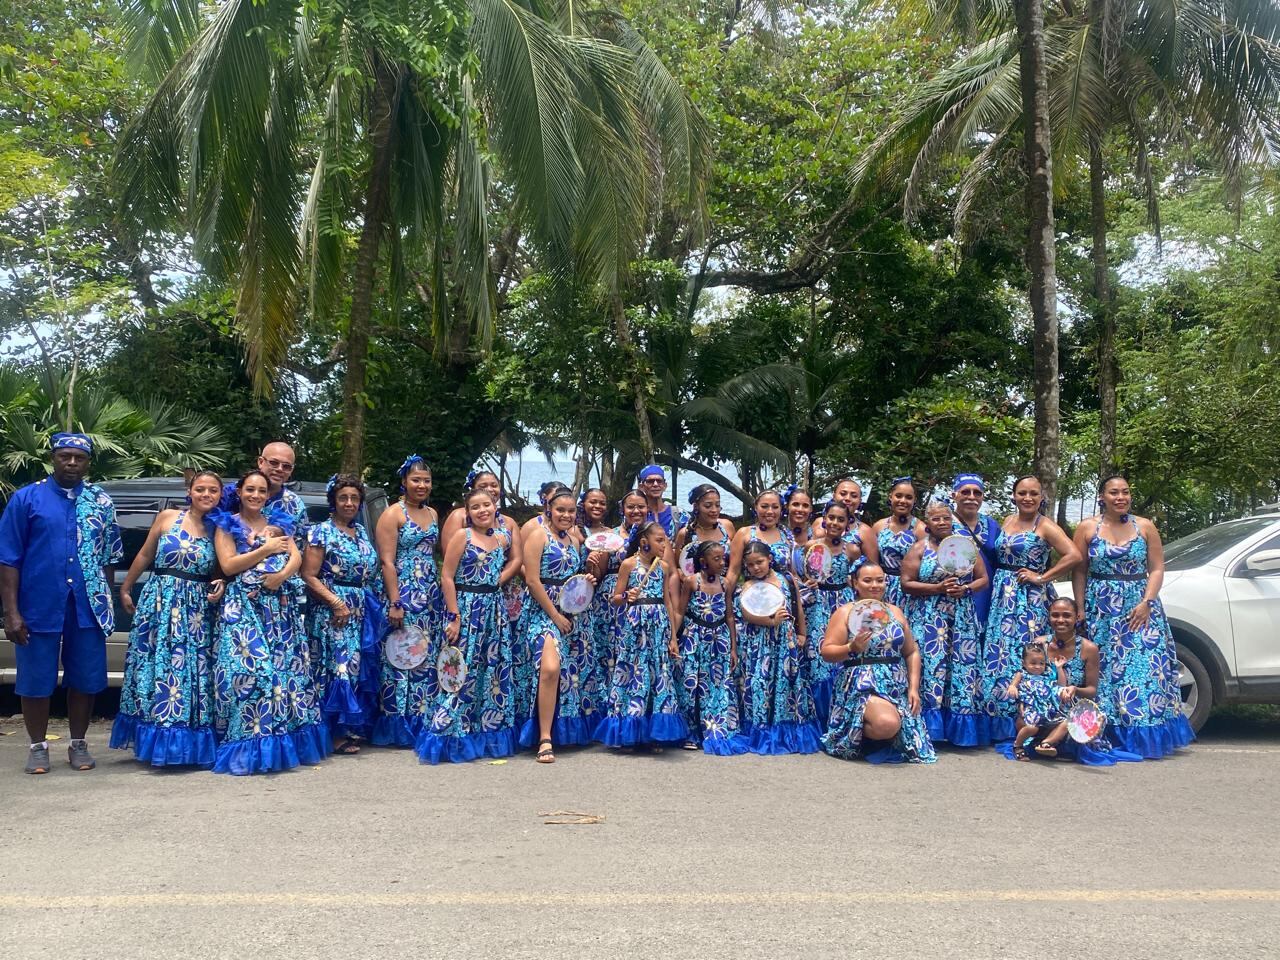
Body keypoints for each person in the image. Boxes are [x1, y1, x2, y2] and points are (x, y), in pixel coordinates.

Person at [0, 433, 122, 774]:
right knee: (35, 678)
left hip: (86, 606)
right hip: (38, 604)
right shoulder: (27, 499)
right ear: (53, 457)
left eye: (78, 458)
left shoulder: (100, 502)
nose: (71, 462)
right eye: (64, 456)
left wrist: (105, 601)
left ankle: (78, 743)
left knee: (85, 677)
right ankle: (38, 747)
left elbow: (110, 556)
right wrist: (11, 612)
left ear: (87, 462)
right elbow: (8, 558)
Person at [210, 471, 329, 774]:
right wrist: (264, 549)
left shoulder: (277, 522)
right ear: (239, 492)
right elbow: (228, 564)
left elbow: (296, 557)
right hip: (244, 610)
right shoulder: (227, 524)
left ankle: (278, 745)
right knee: (253, 676)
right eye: (249, 489)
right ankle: (250, 748)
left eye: (261, 491)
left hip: (279, 611)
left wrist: (281, 576)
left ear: (267, 495)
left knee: (286, 677)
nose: (255, 495)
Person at [1072, 475, 1195, 758]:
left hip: (1139, 608)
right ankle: (1104, 731)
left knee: (1143, 672)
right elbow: (1079, 570)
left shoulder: (1146, 527)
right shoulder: (1087, 528)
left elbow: (1157, 569)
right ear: (1102, 496)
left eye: (1125, 492)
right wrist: (1080, 607)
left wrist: (1146, 602)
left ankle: (1143, 736)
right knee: (1104, 673)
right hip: (1100, 609)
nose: (1121, 497)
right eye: (1114, 492)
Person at [111, 469, 225, 768]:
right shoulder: (167, 517)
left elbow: (220, 570)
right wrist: (125, 587)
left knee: (191, 672)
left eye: (213, 490)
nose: (206, 495)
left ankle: (187, 744)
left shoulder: (219, 529)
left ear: (220, 496)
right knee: (157, 667)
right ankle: (156, 741)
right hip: (160, 603)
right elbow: (146, 554)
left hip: (197, 610)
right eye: (201, 489)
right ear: (191, 491)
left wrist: (220, 583)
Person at [416, 488, 518, 763]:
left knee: (490, 671)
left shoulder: (500, 538)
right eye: (476, 507)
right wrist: (454, 616)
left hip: (493, 610)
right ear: (468, 512)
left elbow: (508, 568)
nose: (483, 510)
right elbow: (446, 576)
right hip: (466, 607)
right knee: (460, 671)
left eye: (487, 505)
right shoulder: (463, 536)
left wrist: (497, 583)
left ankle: (483, 730)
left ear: (495, 506)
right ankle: (448, 732)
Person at [981, 475, 1081, 741]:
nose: (1027, 498)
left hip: (1029, 600)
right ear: (1014, 496)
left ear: (1041, 498)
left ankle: (1033, 719)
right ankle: (1002, 720)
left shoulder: (1045, 525)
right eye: (1022, 493)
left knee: (1026, 651)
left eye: (1033, 494)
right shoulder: (1008, 521)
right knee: (1000, 653)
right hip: (1003, 597)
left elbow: (1073, 555)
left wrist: (1042, 576)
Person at [994, 598, 1142, 765]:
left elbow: (1092, 690)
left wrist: (1075, 689)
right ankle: (1040, 742)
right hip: (1042, 704)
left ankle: (1047, 743)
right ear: (1049, 617)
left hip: (1071, 705)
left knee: (1079, 722)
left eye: (1067, 615)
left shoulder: (1089, 649)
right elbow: (1024, 674)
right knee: (1025, 721)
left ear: (1077, 617)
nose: (1060, 620)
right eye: (1055, 615)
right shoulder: (1039, 643)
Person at [820, 563, 935, 763]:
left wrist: (914, 688)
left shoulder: (895, 612)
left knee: (901, 729)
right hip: (861, 683)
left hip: (895, 682)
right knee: (887, 723)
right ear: (855, 583)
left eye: (880, 580)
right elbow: (827, 652)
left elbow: (911, 651)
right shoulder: (845, 612)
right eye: (867, 580)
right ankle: (854, 733)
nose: (875, 585)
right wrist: (850, 648)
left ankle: (881, 734)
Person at [900, 499, 990, 747]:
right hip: (929, 619)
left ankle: (959, 731)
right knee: (931, 668)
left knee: (960, 669)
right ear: (927, 522)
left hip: (960, 619)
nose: (942, 522)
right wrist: (937, 588)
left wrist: (967, 589)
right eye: (936, 518)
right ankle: (929, 728)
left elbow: (983, 578)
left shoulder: (966, 546)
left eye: (946, 518)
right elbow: (906, 583)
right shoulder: (919, 548)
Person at [302, 474, 380, 755]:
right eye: (343, 497)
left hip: (359, 609)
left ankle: (350, 728)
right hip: (333, 612)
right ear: (333, 501)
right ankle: (331, 732)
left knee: (356, 668)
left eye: (354, 498)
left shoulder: (360, 533)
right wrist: (336, 602)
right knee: (337, 668)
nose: (349, 503)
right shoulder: (320, 532)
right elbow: (308, 575)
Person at [596, 521, 689, 750]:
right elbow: (615, 598)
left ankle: (653, 733)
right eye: (659, 540)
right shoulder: (628, 564)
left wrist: (673, 637)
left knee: (657, 674)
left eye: (665, 540)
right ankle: (629, 730)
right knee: (634, 673)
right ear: (644, 542)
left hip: (658, 626)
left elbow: (667, 601)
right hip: (634, 627)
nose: (664, 544)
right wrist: (627, 595)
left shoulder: (664, 567)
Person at [371, 455, 443, 747]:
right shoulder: (393, 514)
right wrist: (394, 600)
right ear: (404, 482)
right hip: (403, 590)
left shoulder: (434, 514)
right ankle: (397, 722)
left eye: (426, 480)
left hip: (429, 593)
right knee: (400, 655)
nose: (421, 485)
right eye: (416, 480)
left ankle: (421, 717)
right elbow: (387, 561)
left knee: (424, 654)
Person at [519, 488, 595, 761]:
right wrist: (554, 616)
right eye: (560, 510)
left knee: (569, 674)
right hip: (544, 612)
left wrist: (587, 581)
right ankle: (544, 738)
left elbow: (572, 578)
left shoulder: (575, 539)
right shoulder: (538, 535)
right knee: (549, 669)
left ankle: (558, 730)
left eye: (571, 511)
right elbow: (532, 581)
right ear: (549, 509)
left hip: (571, 614)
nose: (566, 515)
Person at [735, 540, 820, 755]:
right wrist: (770, 622)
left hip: (785, 639)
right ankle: (762, 726)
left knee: (785, 681)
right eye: (751, 565)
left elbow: (798, 606)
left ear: (770, 559)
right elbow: (746, 614)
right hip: (759, 641)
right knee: (761, 681)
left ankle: (785, 725)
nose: (756, 568)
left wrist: (802, 633)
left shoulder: (787, 580)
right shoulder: (748, 586)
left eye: (760, 562)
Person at [673, 540, 746, 754]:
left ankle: (715, 727)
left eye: (724, 558)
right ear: (703, 562)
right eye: (717, 559)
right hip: (694, 638)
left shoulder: (725, 584)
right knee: (691, 685)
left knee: (718, 684)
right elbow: (680, 611)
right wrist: (673, 638)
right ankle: (690, 731)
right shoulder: (691, 582)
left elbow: (730, 616)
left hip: (719, 640)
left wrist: (733, 647)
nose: (722, 562)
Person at [584, 490, 648, 723]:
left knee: (635, 656)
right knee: (609, 654)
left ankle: (635, 712)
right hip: (610, 602)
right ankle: (610, 714)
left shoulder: (653, 535)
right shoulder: (608, 536)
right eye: (631, 507)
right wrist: (592, 564)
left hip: (642, 600)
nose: (636, 511)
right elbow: (598, 575)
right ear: (622, 509)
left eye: (641, 507)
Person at [800, 501, 860, 729]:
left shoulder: (851, 550)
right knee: (818, 659)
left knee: (843, 656)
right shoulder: (810, 546)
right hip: (817, 605)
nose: (835, 523)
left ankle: (843, 716)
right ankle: (821, 719)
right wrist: (808, 583)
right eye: (831, 518)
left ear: (847, 523)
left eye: (841, 519)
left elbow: (857, 578)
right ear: (824, 519)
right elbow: (798, 577)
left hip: (842, 603)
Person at [219, 441, 307, 536]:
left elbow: (301, 544)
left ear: (291, 470)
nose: (279, 469)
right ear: (260, 462)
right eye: (274, 463)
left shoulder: (296, 505)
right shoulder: (229, 494)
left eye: (286, 466)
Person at [949, 474, 1001, 633]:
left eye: (977, 493)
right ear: (954, 495)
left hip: (985, 591)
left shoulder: (991, 525)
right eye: (965, 492)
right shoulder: (943, 523)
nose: (971, 497)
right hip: (952, 594)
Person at [862, 477, 926, 608]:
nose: (903, 501)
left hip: (909, 588)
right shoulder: (879, 526)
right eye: (898, 496)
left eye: (908, 497)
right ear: (890, 497)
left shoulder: (921, 529)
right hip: (882, 586)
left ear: (914, 501)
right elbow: (872, 562)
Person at [1007, 644, 1070, 760]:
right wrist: (1013, 688)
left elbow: (1061, 685)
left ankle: (1046, 744)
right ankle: (1018, 745)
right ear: (1023, 663)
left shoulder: (1047, 676)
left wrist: (1059, 668)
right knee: (1032, 727)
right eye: (1033, 663)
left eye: (1041, 663)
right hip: (1031, 711)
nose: (1037, 667)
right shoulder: (1022, 674)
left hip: (1048, 711)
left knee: (1067, 723)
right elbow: (1013, 685)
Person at [727, 489, 790, 586]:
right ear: (756, 508)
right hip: (752, 595)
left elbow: (792, 573)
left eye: (775, 507)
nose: (770, 511)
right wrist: (726, 599)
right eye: (764, 506)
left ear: (781, 509)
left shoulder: (786, 534)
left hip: (784, 595)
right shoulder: (744, 534)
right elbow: (734, 572)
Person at [672, 483, 734, 560]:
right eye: (708, 506)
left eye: (717, 505)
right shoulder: (685, 534)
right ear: (696, 506)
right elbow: (680, 566)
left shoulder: (727, 526)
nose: (714, 510)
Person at [814, 478, 873, 554]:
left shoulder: (865, 531)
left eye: (854, 496)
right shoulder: (819, 523)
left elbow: (872, 564)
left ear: (860, 501)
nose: (848, 498)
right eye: (843, 494)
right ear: (834, 496)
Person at [636, 465, 676, 537]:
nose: (655, 484)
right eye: (650, 481)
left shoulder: (678, 514)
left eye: (659, 481)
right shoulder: (637, 514)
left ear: (665, 485)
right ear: (641, 487)